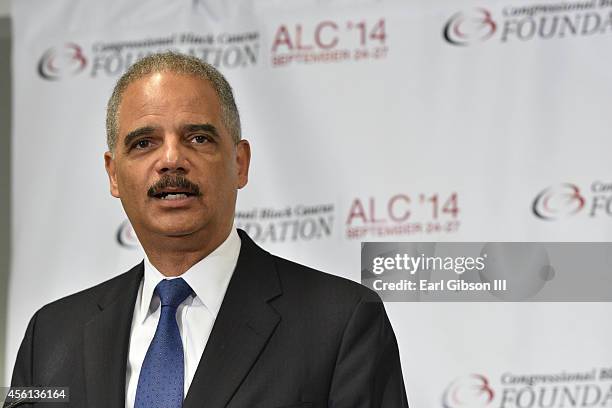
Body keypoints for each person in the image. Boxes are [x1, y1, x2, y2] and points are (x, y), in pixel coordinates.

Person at [7, 52, 409, 408]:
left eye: (197, 138)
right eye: (144, 143)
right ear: (113, 174)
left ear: (240, 163)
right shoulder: (51, 335)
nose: (171, 160)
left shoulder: (342, 321)